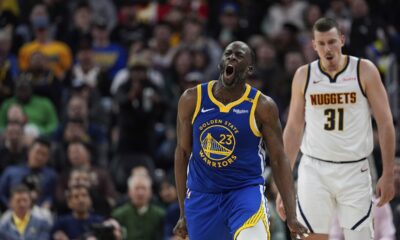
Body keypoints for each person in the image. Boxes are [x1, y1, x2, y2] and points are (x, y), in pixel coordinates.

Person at [173, 41, 309, 240]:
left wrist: (291, 215)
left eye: (239, 55)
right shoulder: (192, 99)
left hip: (244, 192)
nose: (232, 57)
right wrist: (182, 212)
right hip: (202, 195)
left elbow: (279, 159)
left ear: (249, 69)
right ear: (220, 63)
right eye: (228, 54)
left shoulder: (262, 106)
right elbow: (182, 153)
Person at [276, 17, 395, 240]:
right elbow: (293, 129)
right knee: (309, 236)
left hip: (355, 168)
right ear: (313, 45)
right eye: (321, 44)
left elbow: (386, 122)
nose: (327, 48)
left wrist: (388, 173)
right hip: (314, 168)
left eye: (331, 42)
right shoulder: (304, 75)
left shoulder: (364, 70)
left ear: (342, 40)